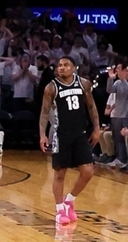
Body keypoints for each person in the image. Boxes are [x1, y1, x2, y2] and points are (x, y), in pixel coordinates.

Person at [40, 56, 102, 225]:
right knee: (60, 173)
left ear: (74, 68)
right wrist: (42, 134)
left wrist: (97, 128)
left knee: (88, 171)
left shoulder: (83, 83)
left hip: (80, 134)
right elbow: (44, 112)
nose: (61, 67)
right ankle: (60, 210)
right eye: (59, 65)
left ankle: (69, 200)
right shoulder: (51, 87)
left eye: (66, 65)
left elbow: (91, 107)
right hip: (61, 135)